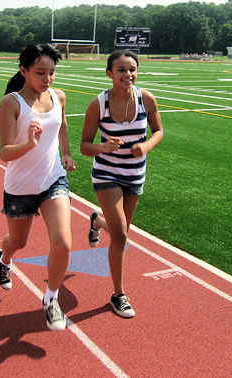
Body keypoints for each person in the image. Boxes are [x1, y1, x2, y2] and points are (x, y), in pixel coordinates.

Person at [0, 43, 76, 331]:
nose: (47, 79)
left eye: (52, 72)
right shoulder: (11, 103)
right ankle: (4, 258)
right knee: (17, 243)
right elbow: (4, 152)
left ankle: (51, 299)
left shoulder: (59, 96)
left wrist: (65, 153)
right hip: (19, 186)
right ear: (24, 70)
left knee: (63, 243)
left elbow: (62, 124)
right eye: (40, 72)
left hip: (52, 180)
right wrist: (28, 144)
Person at [80, 50, 163, 318]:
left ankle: (97, 221)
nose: (128, 75)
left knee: (120, 230)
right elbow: (84, 146)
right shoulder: (99, 104)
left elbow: (158, 131)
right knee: (122, 236)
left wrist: (146, 146)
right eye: (121, 70)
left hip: (135, 174)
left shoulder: (146, 98)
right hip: (107, 174)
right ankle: (118, 294)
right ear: (109, 73)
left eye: (132, 70)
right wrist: (103, 147)